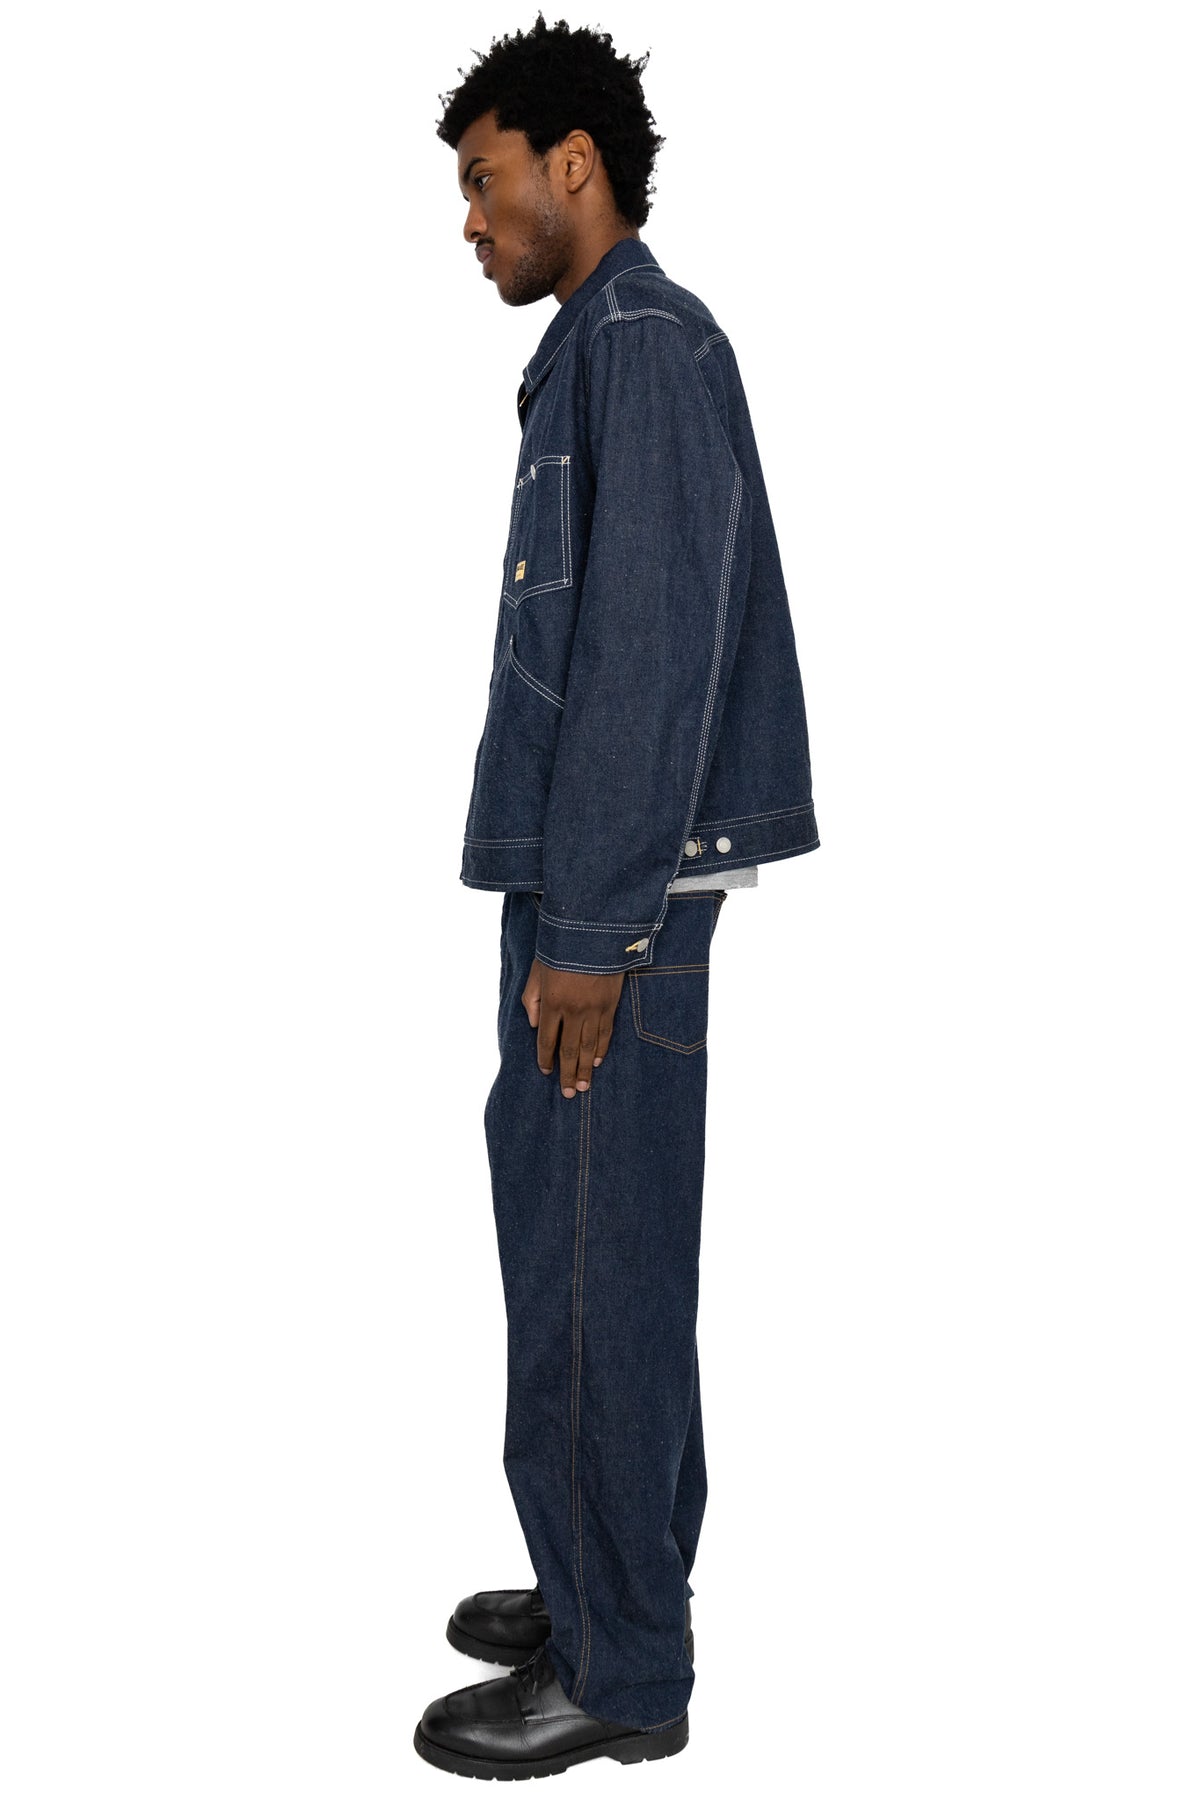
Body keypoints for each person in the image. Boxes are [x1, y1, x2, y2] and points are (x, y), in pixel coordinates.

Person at [414, 14, 819, 1779]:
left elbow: (647, 656)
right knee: (607, 1254)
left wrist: (587, 934)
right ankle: (613, 1576)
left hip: (611, 910)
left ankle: (622, 1666)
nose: (471, 220)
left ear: (572, 164)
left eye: (484, 179)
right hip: (600, 889)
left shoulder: (641, 344)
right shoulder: (606, 347)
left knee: (588, 1273)